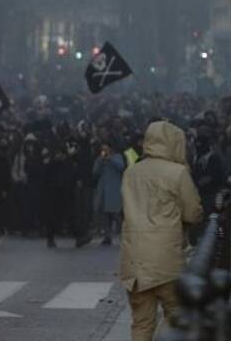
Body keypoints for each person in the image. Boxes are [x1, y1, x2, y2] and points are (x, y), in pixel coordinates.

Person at [120, 121, 203, 341]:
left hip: (134, 259)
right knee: (177, 315)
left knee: (141, 323)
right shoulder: (178, 172)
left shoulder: (132, 172)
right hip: (166, 258)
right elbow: (192, 212)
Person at [92, 142, 125, 245]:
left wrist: (110, 159)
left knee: (116, 213)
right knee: (104, 214)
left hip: (114, 188)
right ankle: (107, 236)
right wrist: (101, 160)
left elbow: (121, 167)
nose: (104, 151)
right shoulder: (100, 158)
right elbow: (95, 171)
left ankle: (124, 234)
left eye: (106, 149)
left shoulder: (117, 157)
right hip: (103, 188)